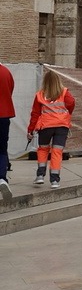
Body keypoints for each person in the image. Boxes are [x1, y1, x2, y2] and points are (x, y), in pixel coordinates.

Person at [28, 70, 75, 188]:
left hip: (45, 126)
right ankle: (54, 180)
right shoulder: (65, 92)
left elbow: (35, 114)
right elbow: (71, 104)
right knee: (57, 151)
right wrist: (66, 114)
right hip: (62, 126)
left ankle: (40, 175)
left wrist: (30, 130)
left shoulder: (40, 95)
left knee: (43, 149)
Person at [0, 62, 15, 201]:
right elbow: (10, 90)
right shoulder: (6, 72)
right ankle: (2, 179)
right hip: (3, 116)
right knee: (2, 150)